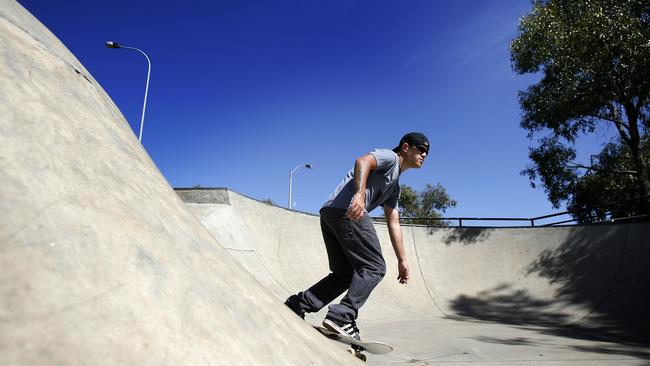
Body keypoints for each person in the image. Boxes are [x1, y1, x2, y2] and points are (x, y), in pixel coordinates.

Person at [284, 132, 429, 340]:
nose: (424, 155)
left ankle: (299, 304)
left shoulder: (395, 187)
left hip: (329, 213)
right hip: (347, 211)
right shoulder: (390, 157)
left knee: (344, 274)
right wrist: (359, 194)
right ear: (406, 147)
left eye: (427, 153)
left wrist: (402, 260)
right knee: (374, 267)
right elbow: (363, 161)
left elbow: (394, 222)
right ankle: (342, 317)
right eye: (421, 150)